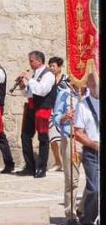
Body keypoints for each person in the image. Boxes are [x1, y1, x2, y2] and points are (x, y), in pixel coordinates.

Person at [52, 57, 84, 224]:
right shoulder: (64, 95)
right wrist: (65, 117)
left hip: (90, 140)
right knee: (72, 180)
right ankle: (70, 215)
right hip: (71, 139)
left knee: (95, 181)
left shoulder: (93, 94)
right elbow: (56, 117)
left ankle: (83, 208)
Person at [16, 50, 56, 178]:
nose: (30, 63)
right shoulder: (34, 75)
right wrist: (22, 85)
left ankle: (42, 168)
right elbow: (29, 93)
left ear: (39, 61)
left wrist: (29, 79)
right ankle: (30, 166)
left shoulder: (48, 75)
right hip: (32, 108)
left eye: (31, 61)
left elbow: (42, 91)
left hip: (42, 109)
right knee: (25, 136)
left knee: (43, 139)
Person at [74, 72, 99, 225]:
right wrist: (95, 145)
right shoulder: (82, 105)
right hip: (93, 153)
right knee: (95, 189)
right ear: (88, 85)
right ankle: (87, 221)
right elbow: (77, 133)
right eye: (94, 84)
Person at [47, 57, 65, 172]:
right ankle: (58, 162)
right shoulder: (49, 80)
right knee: (53, 139)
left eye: (53, 66)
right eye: (50, 66)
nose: (51, 68)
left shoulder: (67, 80)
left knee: (65, 138)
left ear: (59, 67)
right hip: (52, 111)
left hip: (65, 111)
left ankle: (66, 161)